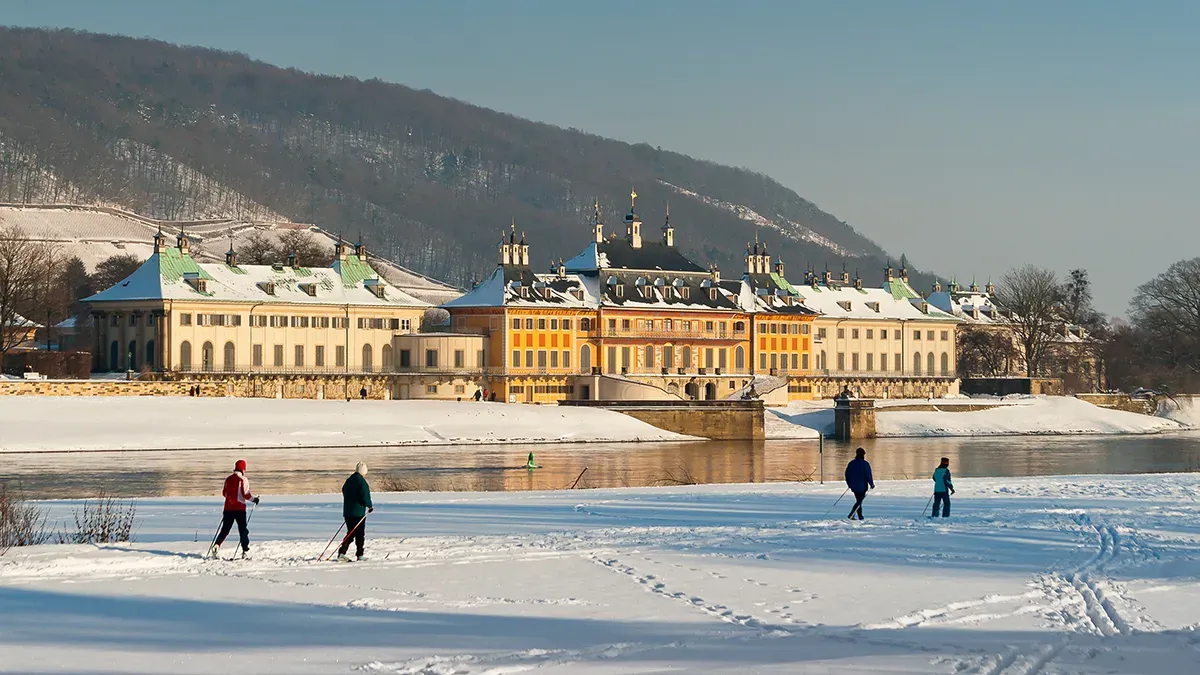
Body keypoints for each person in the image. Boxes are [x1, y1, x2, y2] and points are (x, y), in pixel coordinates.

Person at [210, 459, 259, 559]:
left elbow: (224, 493)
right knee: (243, 530)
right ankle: (245, 551)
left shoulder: (228, 479)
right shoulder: (243, 480)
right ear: (243, 469)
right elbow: (246, 495)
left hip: (228, 509)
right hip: (240, 509)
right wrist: (254, 500)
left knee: (225, 530)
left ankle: (217, 545)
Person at [337, 462, 374, 562]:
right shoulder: (361, 482)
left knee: (351, 533)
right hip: (358, 513)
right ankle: (358, 554)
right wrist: (369, 506)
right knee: (359, 534)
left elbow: (344, 490)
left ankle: (343, 553)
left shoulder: (349, 480)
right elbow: (365, 496)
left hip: (348, 512)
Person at [844, 447, 874, 520]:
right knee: (859, 501)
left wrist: (849, 484)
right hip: (862, 486)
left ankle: (859, 516)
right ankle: (852, 514)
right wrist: (871, 484)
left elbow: (847, 474)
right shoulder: (865, 464)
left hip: (854, 485)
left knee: (858, 500)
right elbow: (868, 475)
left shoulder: (851, 463)